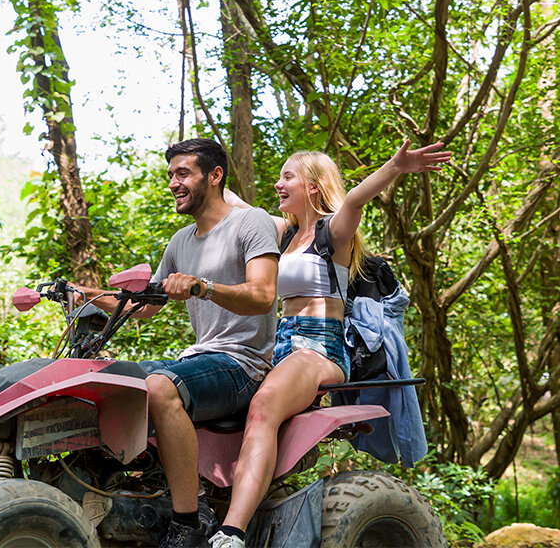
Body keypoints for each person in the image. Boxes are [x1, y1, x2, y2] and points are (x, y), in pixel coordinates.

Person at [208, 138, 452, 548]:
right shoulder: (284, 234)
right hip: (279, 350)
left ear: (314, 187)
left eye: (288, 177)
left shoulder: (332, 233)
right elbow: (232, 204)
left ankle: (231, 533)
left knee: (263, 407)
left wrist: (395, 165)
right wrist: (199, 169)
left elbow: (356, 198)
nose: (278, 184)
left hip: (319, 348)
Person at [73, 138, 280, 548]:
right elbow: (145, 306)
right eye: (171, 175)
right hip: (199, 359)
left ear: (215, 176)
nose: (173, 183)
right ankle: (117, 484)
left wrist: (203, 287)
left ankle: (189, 522)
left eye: (183, 173)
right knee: (108, 379)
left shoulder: (250, 222)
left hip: (243, 365)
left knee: (160, 387)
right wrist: (83, 293)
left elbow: (263, 296)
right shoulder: (180, 241)